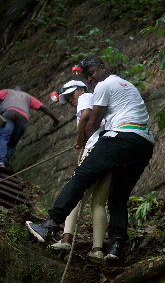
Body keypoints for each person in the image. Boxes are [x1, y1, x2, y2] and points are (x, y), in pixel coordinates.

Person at [25, 56, 155, 263]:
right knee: (118, 196)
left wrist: (82, 139)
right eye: (87, 76)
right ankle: (116, 246)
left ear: (103, 68)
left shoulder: (104, 86)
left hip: (120, 138)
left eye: (92, 73)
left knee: (80, 178)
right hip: (144, 144)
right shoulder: (128, 85)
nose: (91, 79)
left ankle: (50, 224)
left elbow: (92, 122)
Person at [48, 80, 110, 260]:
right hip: (109, 150)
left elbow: (85, 116)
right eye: (67, 100)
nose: (70, 100)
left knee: (76, 194)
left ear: (81, 89)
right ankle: (97, 250)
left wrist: (79, 139)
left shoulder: (86, 96)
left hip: (93, 151)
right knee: (98, 202)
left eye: (70, 95)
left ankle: (66, 239)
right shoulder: (99, 100)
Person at [0, 86, 60, 168]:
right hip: (23, 118)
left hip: (9, 113)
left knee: (3, 137)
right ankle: (4, 162)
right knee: (12, 144)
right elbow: (44, 108)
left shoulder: (7, 91)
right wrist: (56, 119)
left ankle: (1, 162)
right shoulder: (28, 97)